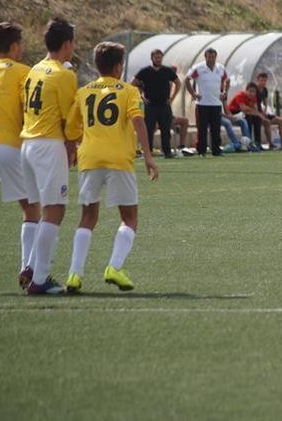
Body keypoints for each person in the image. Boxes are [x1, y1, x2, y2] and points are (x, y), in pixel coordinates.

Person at [64, 42, 159, 294]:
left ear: (97, 66)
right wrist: (148, 155)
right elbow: (138, 121)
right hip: (119, 160)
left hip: (90, 159)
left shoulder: (83, 92)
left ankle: (74, 274)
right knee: (129, 218)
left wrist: (71, 151)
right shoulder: (129, 91)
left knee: (87, 217)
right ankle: (114, 267)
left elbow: (72, 130)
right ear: (119, 67)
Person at [0, 22, 41, 288]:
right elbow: (30, 108)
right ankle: (29, 268)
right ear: (14, 46)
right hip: (9, 145)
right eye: (21, 45)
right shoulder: (24, 72)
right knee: (30, 207)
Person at [20, 17, 78, 294]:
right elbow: (71, 119)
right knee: (55, 209)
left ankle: (30, 266)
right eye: (73, 43)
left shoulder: (34, 69)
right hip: (48, 145)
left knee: (39, 209)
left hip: (27, 144)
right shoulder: (64, 74)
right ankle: (40, 279)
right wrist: (73, 146)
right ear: (67, 44)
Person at [131, 49, 181, 158]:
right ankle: (148, 152)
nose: (158, 59)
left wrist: (172, 98)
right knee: (148, 130)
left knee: (166, 130)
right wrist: (141, 98)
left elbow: (178, 83)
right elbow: (132, 84)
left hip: (164, 105)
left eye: (160, 57)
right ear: (152, 58)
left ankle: (167, 152)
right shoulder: (145, 71)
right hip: (150, 106)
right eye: (156, 57)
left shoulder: (167, 71)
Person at [185, 48, 228, 157]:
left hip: (216, 103)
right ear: (205, 57)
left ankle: (216, 150)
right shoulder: (198, 68)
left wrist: (224, 92)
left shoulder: (220, 68)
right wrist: (194, 94)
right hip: (202, 103)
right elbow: (187, 79)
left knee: (216, 129)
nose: (211, 59)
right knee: (202, 129)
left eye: (213, 57)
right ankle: (201, 151)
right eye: (209, 57)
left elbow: (227, 80)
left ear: (216, 57)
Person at [228, 82, 282, 150]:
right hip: (233, 114)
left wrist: (260, 116)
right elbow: (243, 109)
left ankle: (258, 143)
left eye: (254, 91)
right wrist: (255, 112)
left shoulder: (256, 97)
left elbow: (255, 110)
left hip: (245, 114)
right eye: (250, 91)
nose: (252, 93)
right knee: (248, 119)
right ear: (246, 91)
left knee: (257, 118)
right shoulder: (240, 95)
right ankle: (248, 143)